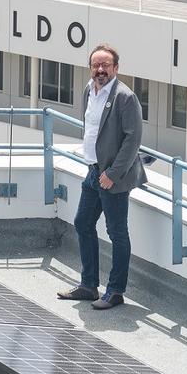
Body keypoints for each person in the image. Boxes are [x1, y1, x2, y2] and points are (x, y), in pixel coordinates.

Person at [57, 44, 147, 310]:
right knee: (83, 222)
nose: (100, 70)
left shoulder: (125, 97)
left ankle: (116, 291)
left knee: (117, 233)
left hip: (113, 177)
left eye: (106, 66)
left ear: (116, 69)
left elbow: (133, 140)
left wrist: (113, 174)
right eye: (96, 65)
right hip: (93, 171)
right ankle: (89, 286)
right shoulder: (88, 90)